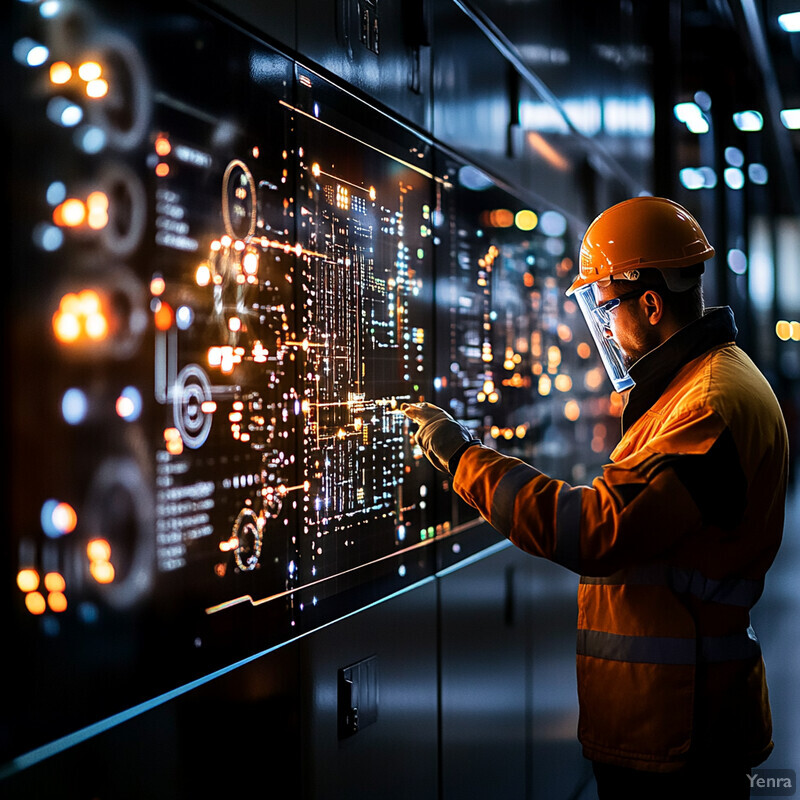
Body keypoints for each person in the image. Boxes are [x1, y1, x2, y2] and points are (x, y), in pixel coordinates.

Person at [403, 197, 789, 799]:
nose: (604, 327)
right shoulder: (701, 385)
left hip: (682, 735)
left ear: (652, 303)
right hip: (672, 719)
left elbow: (596, 530)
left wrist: (461, 456)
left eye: (606, 307)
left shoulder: (709, 404)